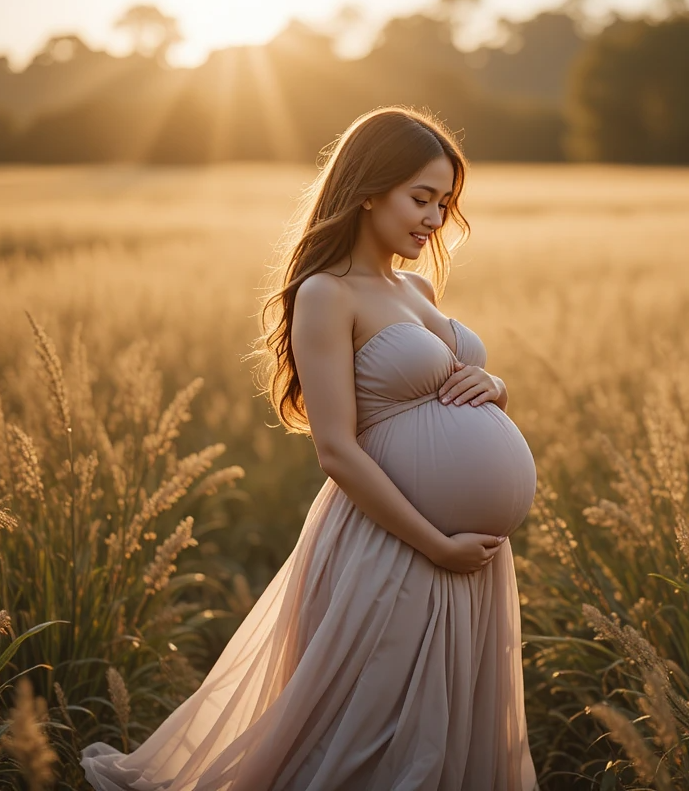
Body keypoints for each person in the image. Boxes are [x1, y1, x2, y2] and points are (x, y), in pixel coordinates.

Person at [80, 106, 540, 790]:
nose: (435, 219)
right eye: (421, 198)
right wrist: (436, 545)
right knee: (373, 742)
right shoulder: (326, 294)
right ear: (369, 190)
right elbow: (336, 450)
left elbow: (448, 385)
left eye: (444, 203)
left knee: (446, 736)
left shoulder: (416, 287)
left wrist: (495, 385)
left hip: (468, 556)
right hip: (397, 543)